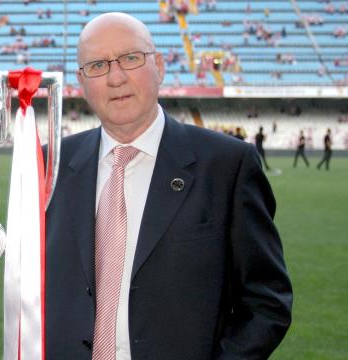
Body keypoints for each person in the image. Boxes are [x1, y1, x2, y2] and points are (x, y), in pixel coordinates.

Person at [45, 13, 292, 360]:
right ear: (81, 82)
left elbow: (267, 301)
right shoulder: (48, 165)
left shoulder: (227, 166)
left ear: (159, 66)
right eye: (98, 65)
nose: (116, 77)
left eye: (130, 59)